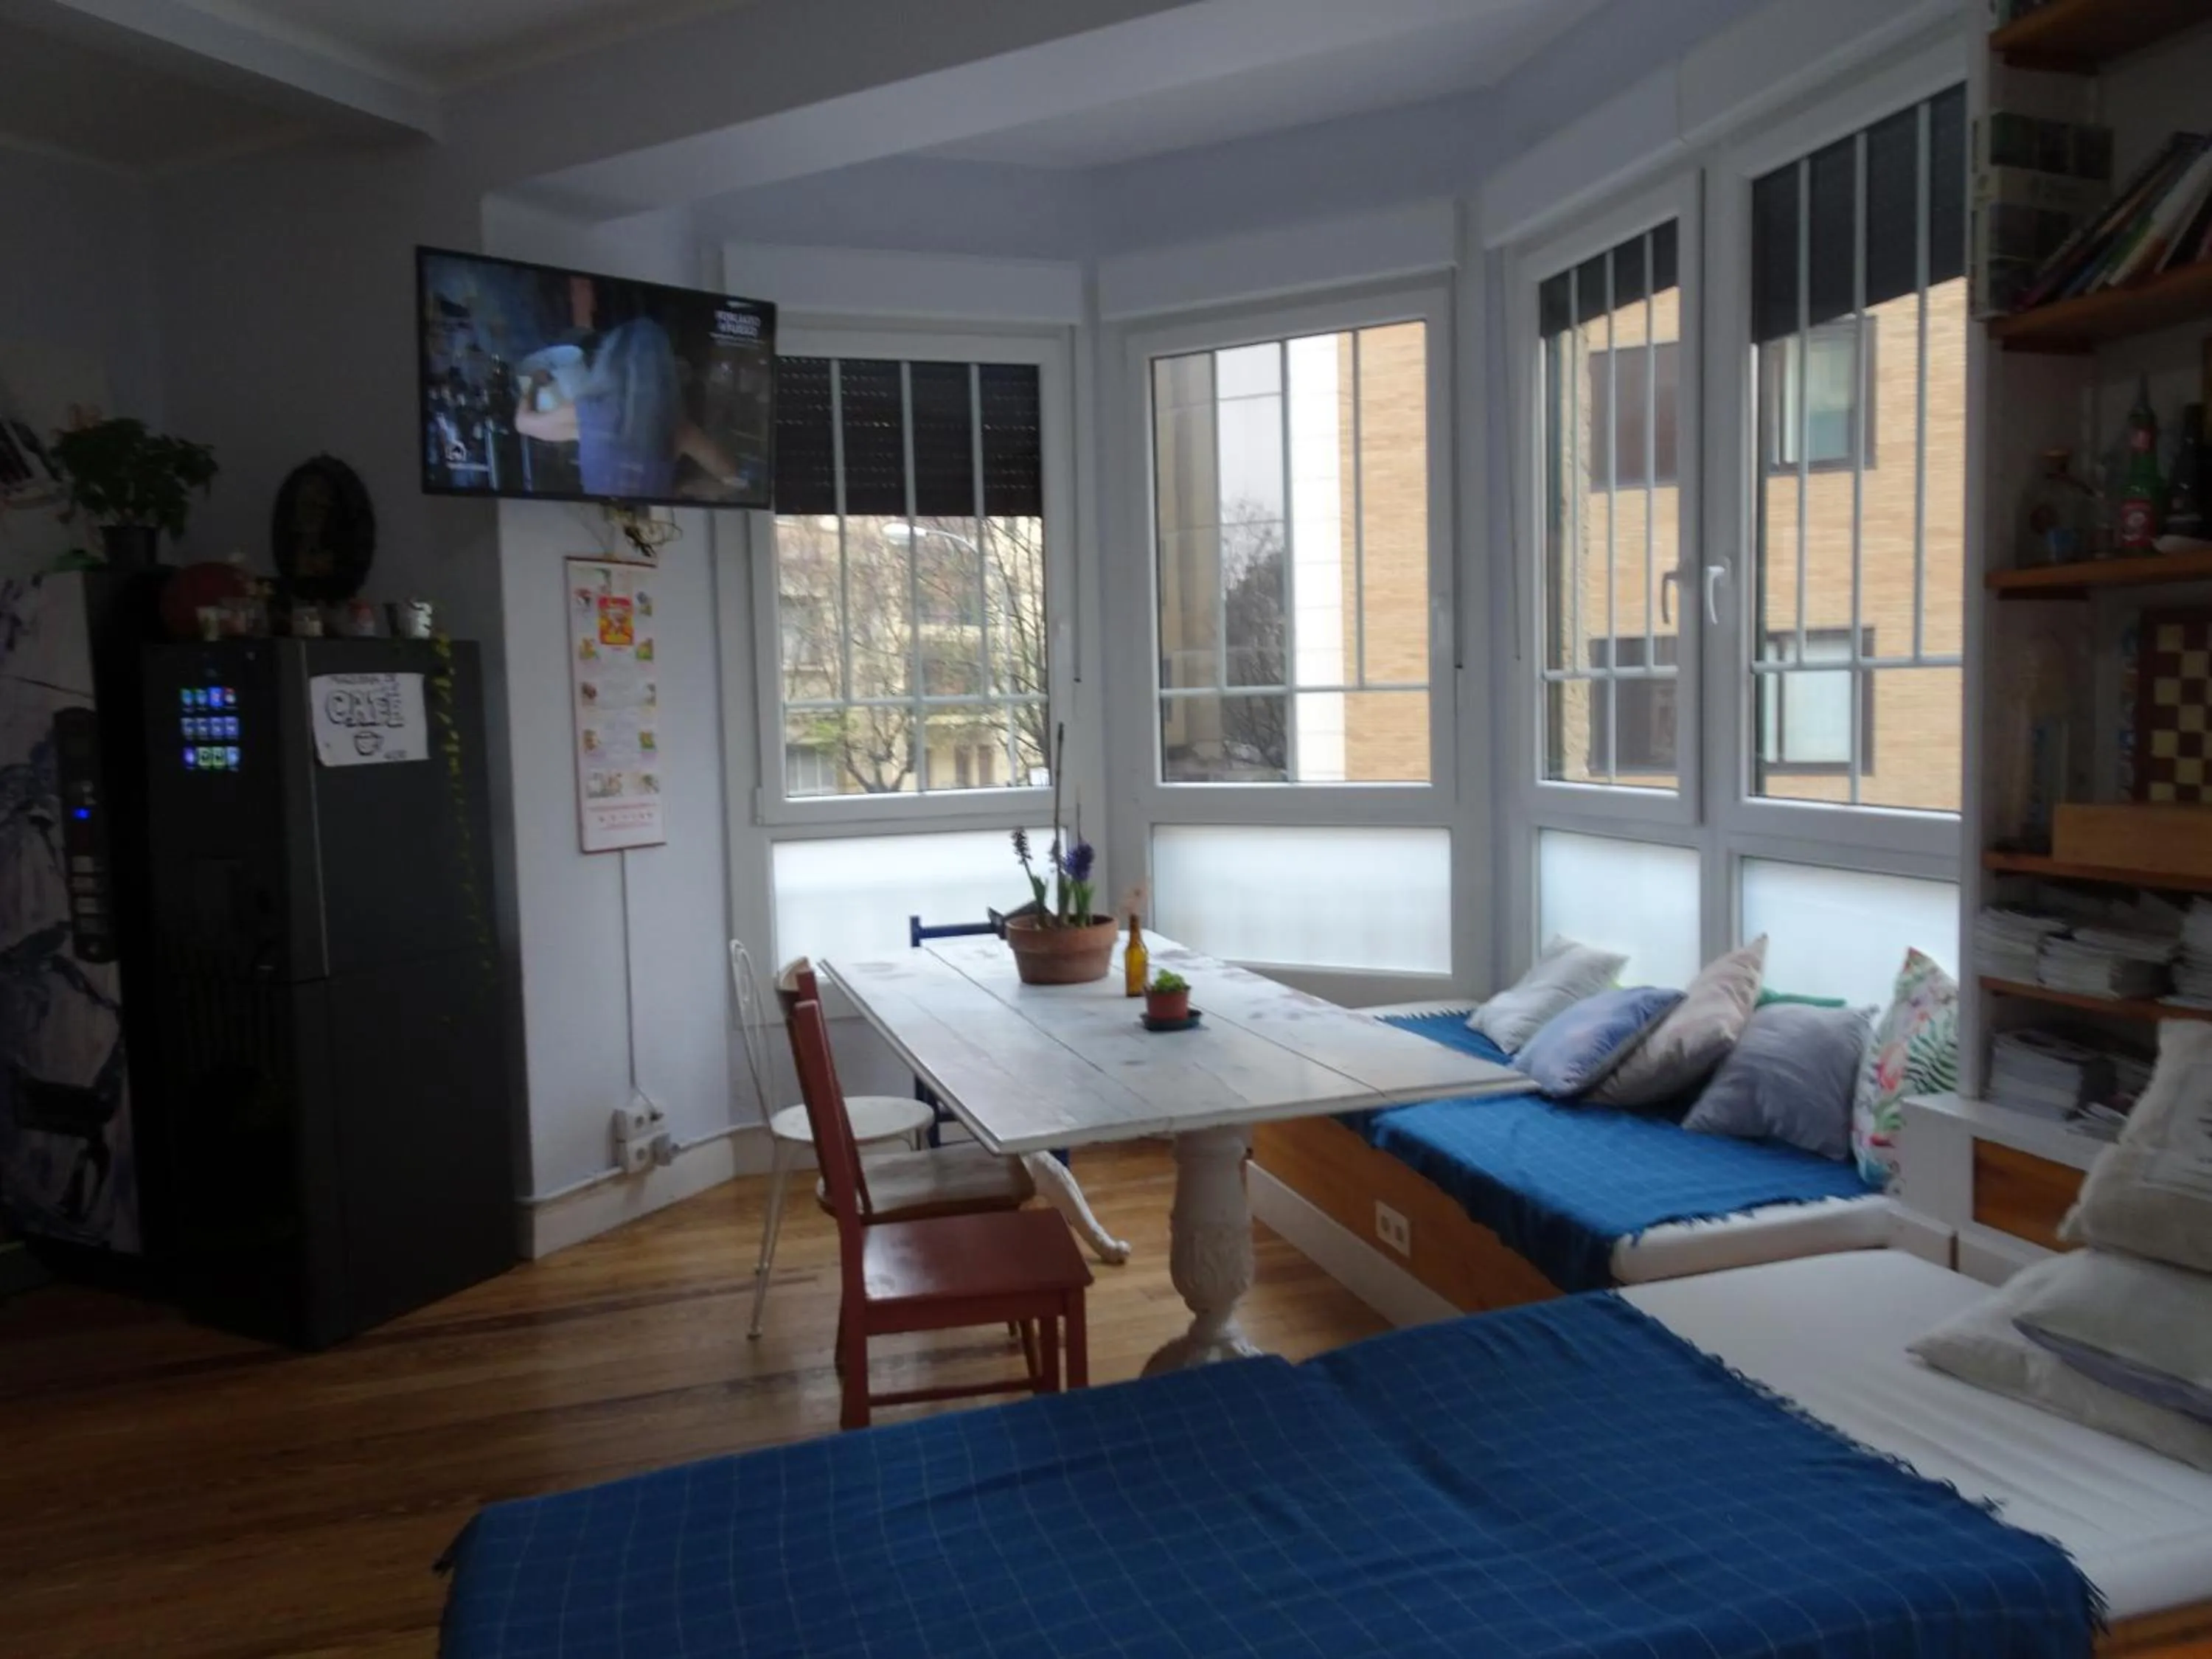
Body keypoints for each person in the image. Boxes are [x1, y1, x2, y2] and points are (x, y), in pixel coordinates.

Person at [512, 318, 742, 499]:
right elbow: (734, 481)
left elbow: (523, 424)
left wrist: (533, 382)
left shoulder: (585, 412)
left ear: (607, 363)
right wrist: (687, 489)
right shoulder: (677, 427)